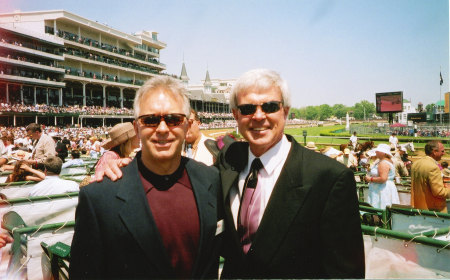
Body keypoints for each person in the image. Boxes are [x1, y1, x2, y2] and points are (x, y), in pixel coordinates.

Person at [95, 69, 364, 278]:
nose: (259, 116)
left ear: (286, 111)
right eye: (248, 109)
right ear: (236, 115)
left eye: (269, 106)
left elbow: (346, 275)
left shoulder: (329, 177)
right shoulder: (228, 161)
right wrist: (122, 165)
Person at [69, 77, 223, 279]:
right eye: (150, 120)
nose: (162, 129)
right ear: (136, 128)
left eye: (173, 119)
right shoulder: (98, 197)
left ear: (186, 126)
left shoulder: (212, 179)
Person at [411, 141, 450, 212]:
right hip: (433, 211)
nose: (444, 153)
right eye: (442, 151)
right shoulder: (433, 167)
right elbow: (439, 192)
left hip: (418, 208)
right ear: (434, 152)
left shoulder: (415, 164)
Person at [364, 143, 399, 209]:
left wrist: (370, 179)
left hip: (382, 189)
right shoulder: (385, 161)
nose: (376, 152)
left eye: (378, 151)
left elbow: (383, 179)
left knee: (381, 207)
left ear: (384, 153)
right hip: (384, 188)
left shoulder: (383, 163)